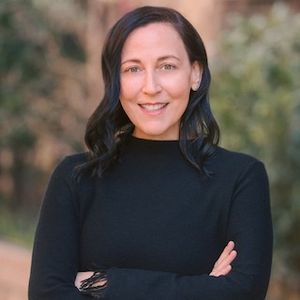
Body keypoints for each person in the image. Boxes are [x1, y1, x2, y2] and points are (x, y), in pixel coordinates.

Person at [28, 5, 273, 300]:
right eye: (133, 69)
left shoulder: (241, 178)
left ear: (195, 73)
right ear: (116, 81)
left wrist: (104, 283)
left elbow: (243, 293)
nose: (150, 87)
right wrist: (203, 287)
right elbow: (46, 294)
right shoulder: (76, 177)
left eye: (167, 66)